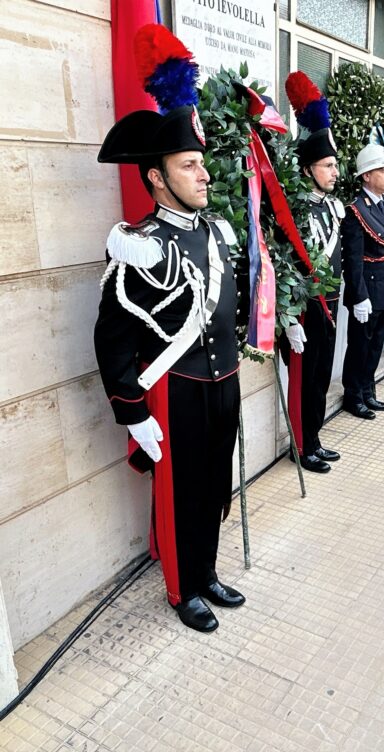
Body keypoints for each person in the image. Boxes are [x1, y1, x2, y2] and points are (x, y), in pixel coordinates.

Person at [94, 104, 246, 633]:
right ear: (157, 178)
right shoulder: (140, 245)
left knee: (215, 487)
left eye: (201, 162)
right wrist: (133, 411)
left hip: (224, 381)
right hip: (176, 390)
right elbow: (112, 337)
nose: (204, 174)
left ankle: (205, 572)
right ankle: (183, 589)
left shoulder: (218, 233)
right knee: (181, 495)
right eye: (189, 164)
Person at [279, 127, 344, 473]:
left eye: (335, 165)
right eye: (328, 166)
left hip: (329, 303)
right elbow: (283, 265)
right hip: (304, 310)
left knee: (320, 377)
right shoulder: (295, 210)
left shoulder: (332, 208)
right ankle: (301, 446)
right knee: (304, 380)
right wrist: (288, 321)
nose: (335, 173)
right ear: (307, 170)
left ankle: (314, 438)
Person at [340, 143, 384, 419]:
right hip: (367, 292)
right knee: (360, 346)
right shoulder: (355, 211)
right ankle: (353, 395)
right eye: (383, 170)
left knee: (375, 346)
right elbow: (352, 261)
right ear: (366, 176)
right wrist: (358, 296)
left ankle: (368, 390)